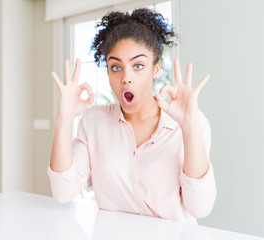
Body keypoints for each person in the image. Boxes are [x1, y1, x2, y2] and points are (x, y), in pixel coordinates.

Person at [47, 8, 216, 224]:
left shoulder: (191, 123)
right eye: (116, 67)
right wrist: (64, 119)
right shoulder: (93, 122)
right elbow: (63, 192)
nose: (126, 78)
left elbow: (200, 207)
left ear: (155, 69)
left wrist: (189, 128)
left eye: (138, 66)